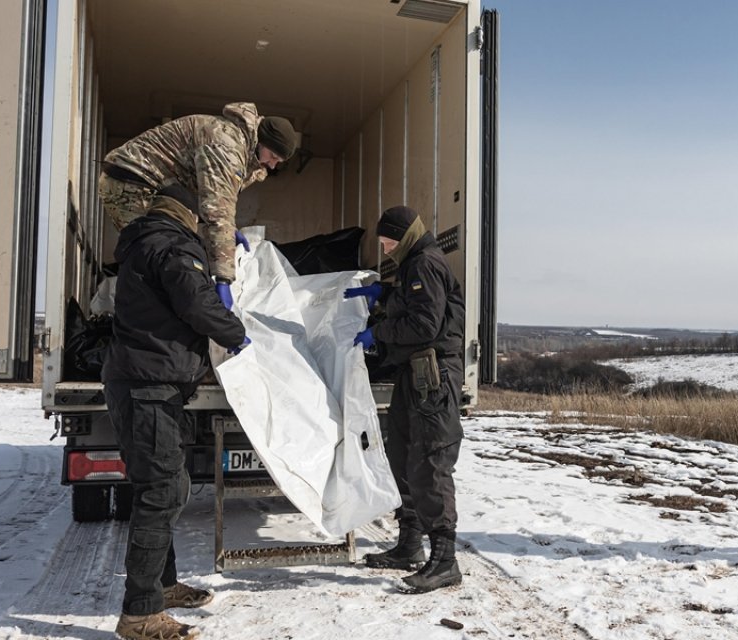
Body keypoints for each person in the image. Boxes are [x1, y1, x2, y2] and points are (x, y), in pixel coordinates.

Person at [103, 185, 250, 640]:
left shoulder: (146, 241)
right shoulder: (171, 245)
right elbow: (196, 304)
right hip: (149, 386)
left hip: (146, 382)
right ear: (189, 215)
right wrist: (236, 332)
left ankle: (162, 587)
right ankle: (140, 614)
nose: (207, 227)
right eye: (203, 220)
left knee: (164, 486)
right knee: (163, 491)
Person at [345, 205, 465, 594]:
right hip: (414, 375)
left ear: (406, 235)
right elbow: (415, 305)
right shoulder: (414, 264)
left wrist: (377, 332)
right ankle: (409, 544)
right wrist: (386, 292)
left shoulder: (426, 263)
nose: (385, 248)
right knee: (403, 456)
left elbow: (424, 324)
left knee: (430, 462)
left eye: (388, 241)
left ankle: (445, 560)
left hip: (434, 378)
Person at [97, 102, 300, 308]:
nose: (273, 165)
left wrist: (229, 232)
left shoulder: (240, 143)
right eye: (273, 156)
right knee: (155, 260)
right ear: (262, 142)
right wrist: (223, 278)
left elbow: (209, 198)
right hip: (132, 184)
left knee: (170, 258)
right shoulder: (226, 145)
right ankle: (133, 326)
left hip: (154, 188)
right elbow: (217, 211)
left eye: (278, 161)